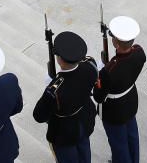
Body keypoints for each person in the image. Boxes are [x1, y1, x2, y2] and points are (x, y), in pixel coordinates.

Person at [32, 31, 98, 163]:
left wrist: (51, 85)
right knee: (84, 152)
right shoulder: (90, 65)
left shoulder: (54, 91)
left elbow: (38, 116)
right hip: (85, 120)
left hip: (64, 132)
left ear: (59, 59)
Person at [93, 15, 145, 163]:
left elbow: (98, 96)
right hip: (130, 101)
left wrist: (102, 70)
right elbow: (125, 64)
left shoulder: (108, 71)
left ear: (115, 43)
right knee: (132, 136)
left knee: (118, 144)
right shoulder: (140, 52)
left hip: (113, 111)